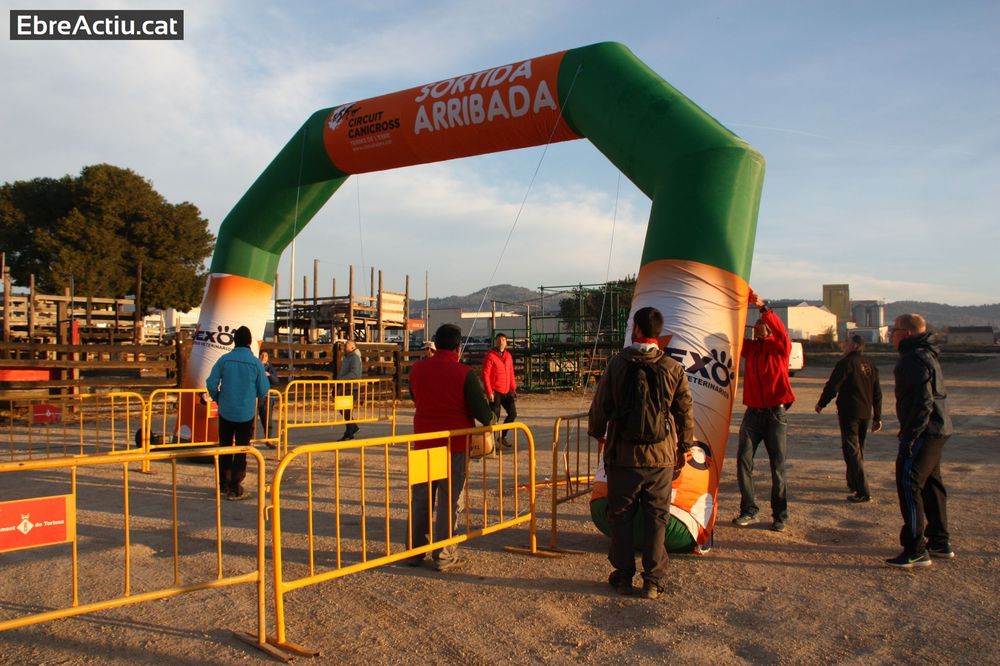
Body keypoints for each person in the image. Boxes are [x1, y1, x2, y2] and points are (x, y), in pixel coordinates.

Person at [588, 307, 694, 600]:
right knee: (656, 518)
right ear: (659, 333)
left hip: (623, 456)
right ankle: (652, 581)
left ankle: (623, 576)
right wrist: (685, 447)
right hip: (660, 458)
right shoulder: (672, 368)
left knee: (620, 516)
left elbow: (601, 405)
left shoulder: (617, 364)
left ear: (636, 329)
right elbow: (684, 410)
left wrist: (598, 433)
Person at [405, 324, 495, 572]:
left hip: (423, 442)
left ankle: (414, 552)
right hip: (453, 446)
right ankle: (444, 555)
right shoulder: (463, 373)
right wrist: (492, 418)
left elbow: (415, 397)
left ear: (435, 343)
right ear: (458, 346)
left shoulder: (417, 369)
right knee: (449, 500)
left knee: (421, 499)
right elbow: (482, 413)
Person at [886, 313, 954, 569]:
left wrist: (910, 436)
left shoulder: (913, 358)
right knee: (931, 483)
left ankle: (915, 550)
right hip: (938, 428)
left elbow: (924, 401)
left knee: (909, 482)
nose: (891, 335)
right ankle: (939, 541)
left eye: (894, 330)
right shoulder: (927, 353)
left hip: (925, 430)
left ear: (907, 333)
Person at [732, 290, 796, 532]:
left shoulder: (780, 348)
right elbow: (734, 338)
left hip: (775, 414)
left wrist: (763, 308)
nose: (757, 325)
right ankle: (749, 510)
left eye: (761, 323)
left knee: (777, 466)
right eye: (756, 323)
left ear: (768, 328)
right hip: (753, 413)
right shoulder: (751, 349)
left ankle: (780, 515)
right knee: (743, 460)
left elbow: (782, 332)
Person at [815, 335, 883, 503]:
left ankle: (863, 491)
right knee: (857, 450)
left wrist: (821, 403)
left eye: (846, 342)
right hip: (865, 413)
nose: (843, 345)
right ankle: (853, 482)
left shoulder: (846, 363)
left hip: (850, 412)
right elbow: (877, 393)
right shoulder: (870, 365)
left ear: (854, 345)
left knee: (852, 451)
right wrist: (877, 417)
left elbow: (833, 386)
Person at [206, 325, 270, 501]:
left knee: (225, 447)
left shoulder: (224, 360)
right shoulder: (255, 363)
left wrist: (218, 397)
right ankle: (235, 488)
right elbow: (264, 389)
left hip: (226, 411)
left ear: (234, 341)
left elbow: (211, 383)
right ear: (249, 342)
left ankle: (223, 485)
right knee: (242, 450)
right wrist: (253, 395)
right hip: (245, 413)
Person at [482, 333, 518, 448]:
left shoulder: (508, 356)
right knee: (494, 419)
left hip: (506, 391)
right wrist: (489, 392)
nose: (501, 342)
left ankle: (502, 436)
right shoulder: (490, 356)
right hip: (495, 392)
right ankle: (491, 444)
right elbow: (485, 374)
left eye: (503, 340)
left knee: (513, 413)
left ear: (506, 342)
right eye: (499, 340)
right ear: (496, 342)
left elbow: (511, 372)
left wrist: (513, 388)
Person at [337, 339, 363, 440]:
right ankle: (353, 428)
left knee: (346, 410)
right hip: (346, 386)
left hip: (351, 387)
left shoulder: (354, 357)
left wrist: (342, 379)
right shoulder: (348, 357)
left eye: (346, 345)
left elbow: (354, 373)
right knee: (343, 409)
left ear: (352, 347)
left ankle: (349, 433)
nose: (344, 347)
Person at [257, 350, 281, 446]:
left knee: (267, 419)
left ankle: (269, 439)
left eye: (266, 356)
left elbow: (276, 381)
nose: (264, 358)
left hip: (267, 397)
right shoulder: (254, 365)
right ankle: (249, 440)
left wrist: (269, 375)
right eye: (262, 355)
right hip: (255, 397)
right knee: (251, 419)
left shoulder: (270, 368)